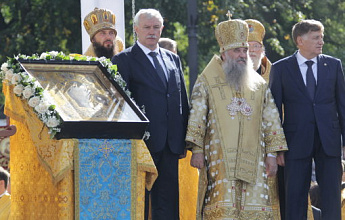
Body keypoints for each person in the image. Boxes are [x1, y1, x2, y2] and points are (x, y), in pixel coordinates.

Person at [186, 17, 288, 219]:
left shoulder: (259, 84)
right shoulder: (207, 80)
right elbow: (197, 114)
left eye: (244, 51)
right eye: (237, 51)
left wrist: (271, 155)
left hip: (255, 159)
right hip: (220, 159)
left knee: (254, 206)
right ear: (224, 53)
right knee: (224, 205)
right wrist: (196, 150)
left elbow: (271, 119)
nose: (243, 55)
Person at [111, 9, 189, 220]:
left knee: (169, 202)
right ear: (136, 29)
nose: (152, 32)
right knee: (141, 203)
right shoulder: (123, 60)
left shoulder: (173, 59)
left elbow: (181, 99)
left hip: (170, 144)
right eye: (147, 27)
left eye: (156, 27)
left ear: (162, 29)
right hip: (142, 144)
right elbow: (120, 106)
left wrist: (183, 140)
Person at [270, 19, 345, 220]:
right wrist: (276, 148)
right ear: (300, 40)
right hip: (295, 143)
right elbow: (274, 112)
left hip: (328, 141)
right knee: (294, 198)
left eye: (321, 37)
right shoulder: (281, 68)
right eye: (315, 38)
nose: (321, 42)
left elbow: (343, 106)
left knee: (331, 197)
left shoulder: (334, 65)